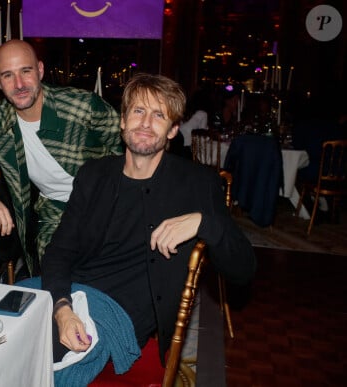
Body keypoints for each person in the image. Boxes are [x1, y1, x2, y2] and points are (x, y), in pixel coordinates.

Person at [42, 73, 256, 373]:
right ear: (122, 121)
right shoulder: (94, 175)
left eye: (159, 115)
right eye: (138, 111)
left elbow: (244, 269)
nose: (145, 123)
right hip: (74, 296)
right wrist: (61, 308)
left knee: (37, 360)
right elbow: (59, 250)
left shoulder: (196, 183)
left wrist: (203, 222)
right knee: (7, 333)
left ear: (173, 130)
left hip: (118, 316)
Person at [0, 39, 122, 276]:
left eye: (26, 71)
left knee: (108, 279)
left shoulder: (82, 106)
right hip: (54, 214)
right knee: (54, 281)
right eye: (8, 75)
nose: (19, 84)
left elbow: (130, 149)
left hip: (107, 206)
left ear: (40, 70)